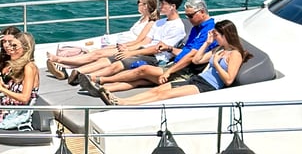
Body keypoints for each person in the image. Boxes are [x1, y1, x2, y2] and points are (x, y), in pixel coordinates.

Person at [82, 0, 215, 96]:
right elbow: (185, 51)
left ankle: (99, 80)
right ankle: (101, 89)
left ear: (202, 12)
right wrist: (170, 48)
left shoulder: (208, 30)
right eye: (187, 15)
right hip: (175, 63)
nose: (189, 19)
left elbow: (191, 56)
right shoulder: (196, 27)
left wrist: (169, 71)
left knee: (142, 71)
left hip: (183, 69)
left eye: (191, 16)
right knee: (139, 80)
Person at [93, 21, 251, 105]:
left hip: (207, 86)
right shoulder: (218, 49)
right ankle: (121, 101)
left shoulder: (235, 54)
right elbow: (197, 60)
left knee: (164, 95)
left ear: (226, 35)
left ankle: (125, 104)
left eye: (216, 35)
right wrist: (207, 43)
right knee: (158, 90)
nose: (214, 37)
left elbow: (229, 80)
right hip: (197, 79)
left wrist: (216, 63)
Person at [72, 0, 187, 89]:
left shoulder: (177, 27)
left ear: (173, 6)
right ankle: (78, 74)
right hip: (143, 50)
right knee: (109, 58)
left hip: (155, 58)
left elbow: (157, 49)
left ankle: (91, 78)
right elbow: (146, 41)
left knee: (118, 64)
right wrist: (129, 49)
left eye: (163, 4)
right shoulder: (160, 22)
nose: (160, 6)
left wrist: (130, 53)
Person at [45, 0, 158, 80]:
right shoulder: (142, 19)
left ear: (146, 6)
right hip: (122, 45)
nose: (137, 4)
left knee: (97, 54)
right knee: (97, 52)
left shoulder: (150, 22)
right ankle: (66, 66)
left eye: (139, 2)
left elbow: (139, 41)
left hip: (127, 48)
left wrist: (123, 47)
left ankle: (61, 62)